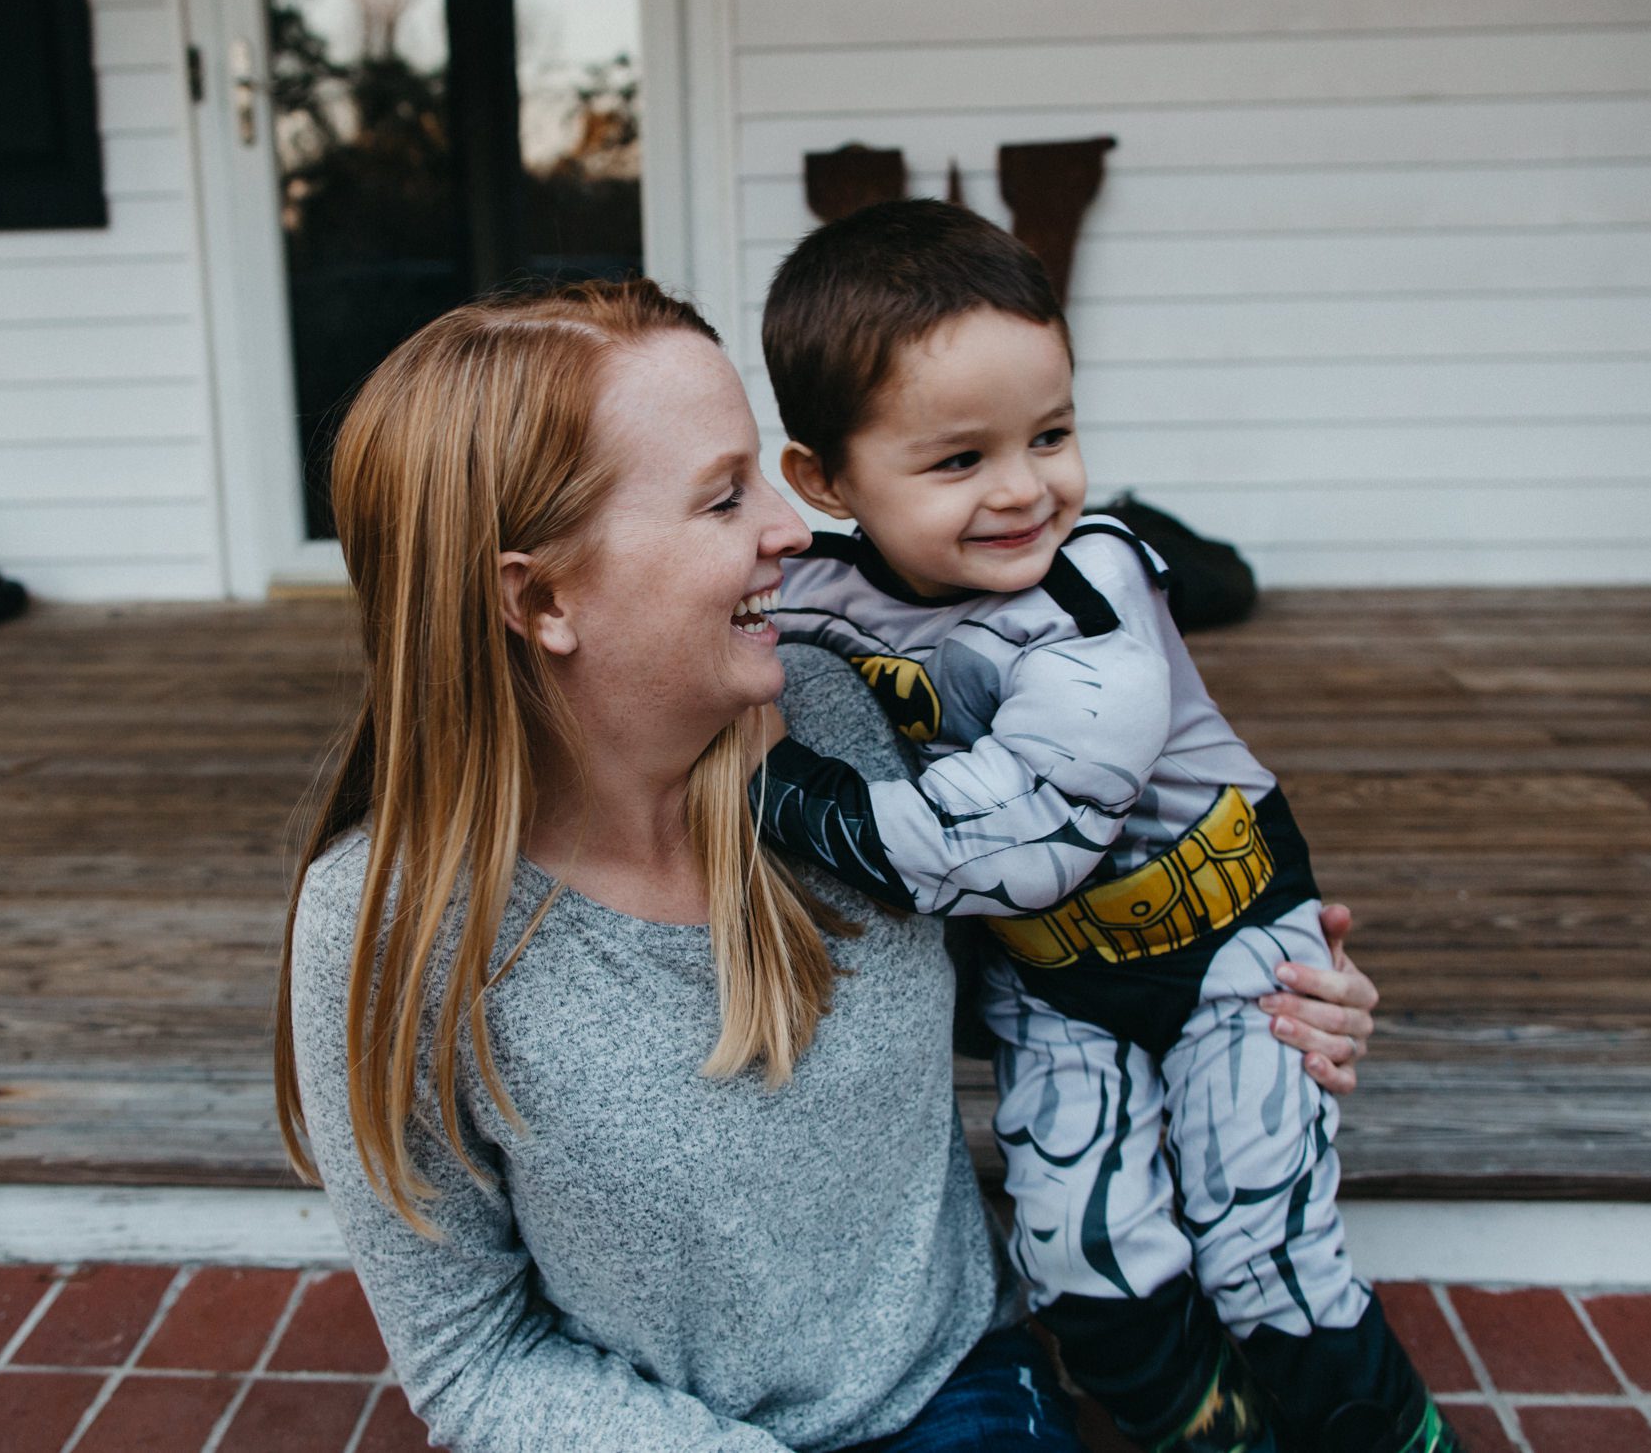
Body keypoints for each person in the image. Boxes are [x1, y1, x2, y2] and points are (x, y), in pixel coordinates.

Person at [275, 281, 1383, 1452]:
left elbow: (1039, 972)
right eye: (722, 497)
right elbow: (471, 1359)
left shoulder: (854, 724)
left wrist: (1252, 987)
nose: (793, 527)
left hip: (947, 1389)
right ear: (542, 596)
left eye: (762, 472)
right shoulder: (388, 924)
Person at [751, 202, 1451, 1453]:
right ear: (823, 478)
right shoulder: (819, 584)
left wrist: (780, 791)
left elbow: (1018, 841)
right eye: (958, 460)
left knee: (1264, 1246)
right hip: (1059, 986)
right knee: (1086, 1268)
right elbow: (715, 613)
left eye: (1053, 433)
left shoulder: (1095, 592)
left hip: (1235, 946)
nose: (1026, 487)